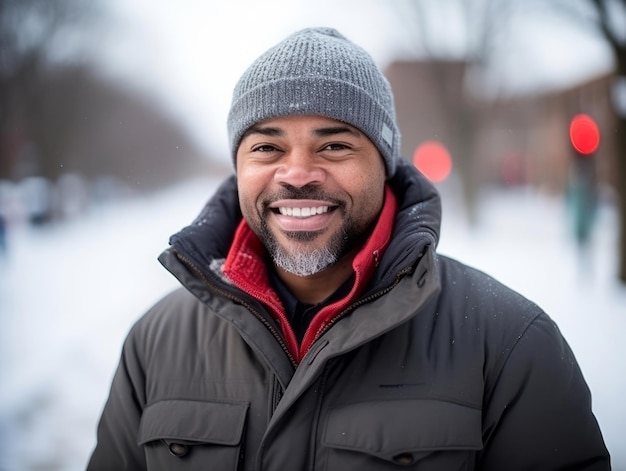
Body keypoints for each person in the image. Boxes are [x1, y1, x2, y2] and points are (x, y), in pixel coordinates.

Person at [87, 27, 610, 470]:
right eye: (267, 147)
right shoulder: (154, 344)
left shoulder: (508, 344)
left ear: (385, 166)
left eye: (334, 145)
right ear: (238, 167)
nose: (296, 174)